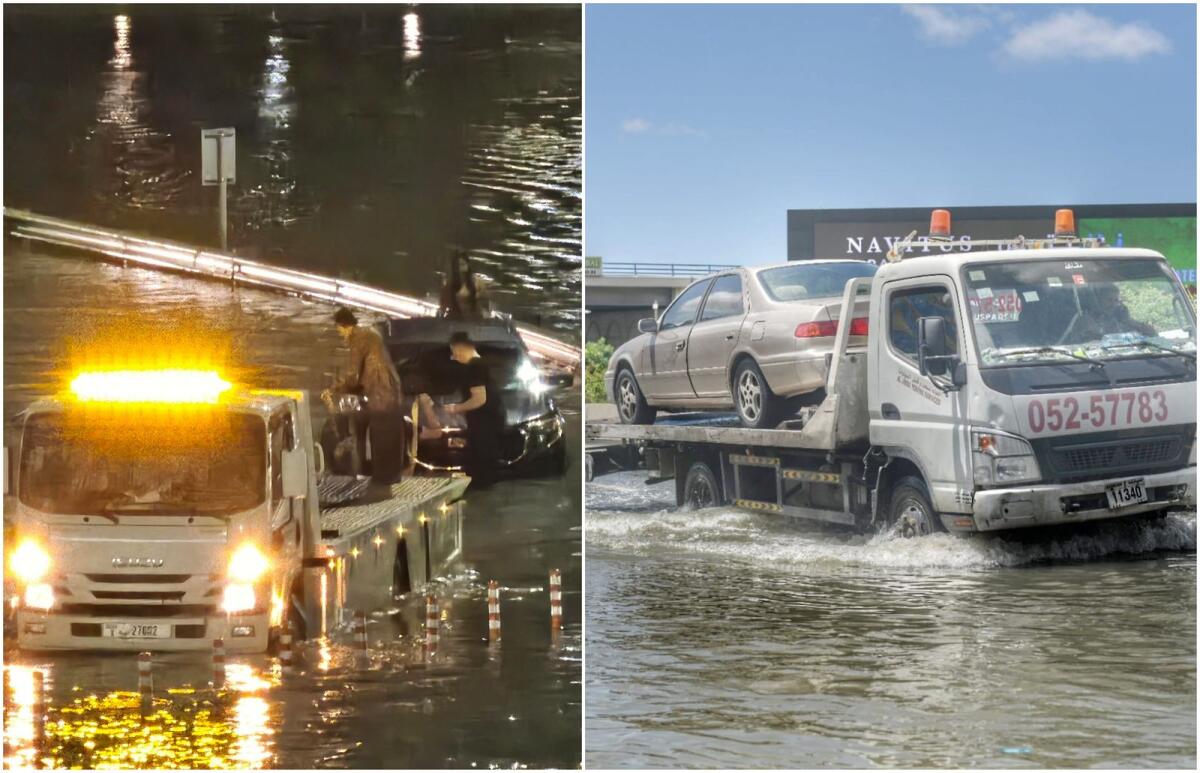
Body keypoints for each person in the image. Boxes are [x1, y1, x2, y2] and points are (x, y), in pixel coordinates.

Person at [323, 307, 406, 485]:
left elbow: (353, 375)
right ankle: (391, 476)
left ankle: (380, 480)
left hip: (380, 395)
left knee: (380, 437)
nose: (341, 335)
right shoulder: (372, 335)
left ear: (345, 326)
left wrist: (334, 388)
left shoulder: (358, 338)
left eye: (340, 330)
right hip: (392, 392)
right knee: (391, 437)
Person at [442, 330, 504, 485]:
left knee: (481, 464)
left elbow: (479, 399)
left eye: (454, 352)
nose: (454, 357)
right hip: (490, 420)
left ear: (460, 348)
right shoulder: (482, 364)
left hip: (483, 422)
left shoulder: (474, 367)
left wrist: (456, 408)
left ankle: (481, 491)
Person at [438, 250, 490, 319]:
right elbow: (443, 305)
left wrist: (483, 312)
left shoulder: (477, 283)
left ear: (468, 265)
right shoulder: (449, 284)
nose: (460, 268)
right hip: (455, 318)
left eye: (462, 264)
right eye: (457, 265)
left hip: (473, 318)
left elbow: (484, 303)